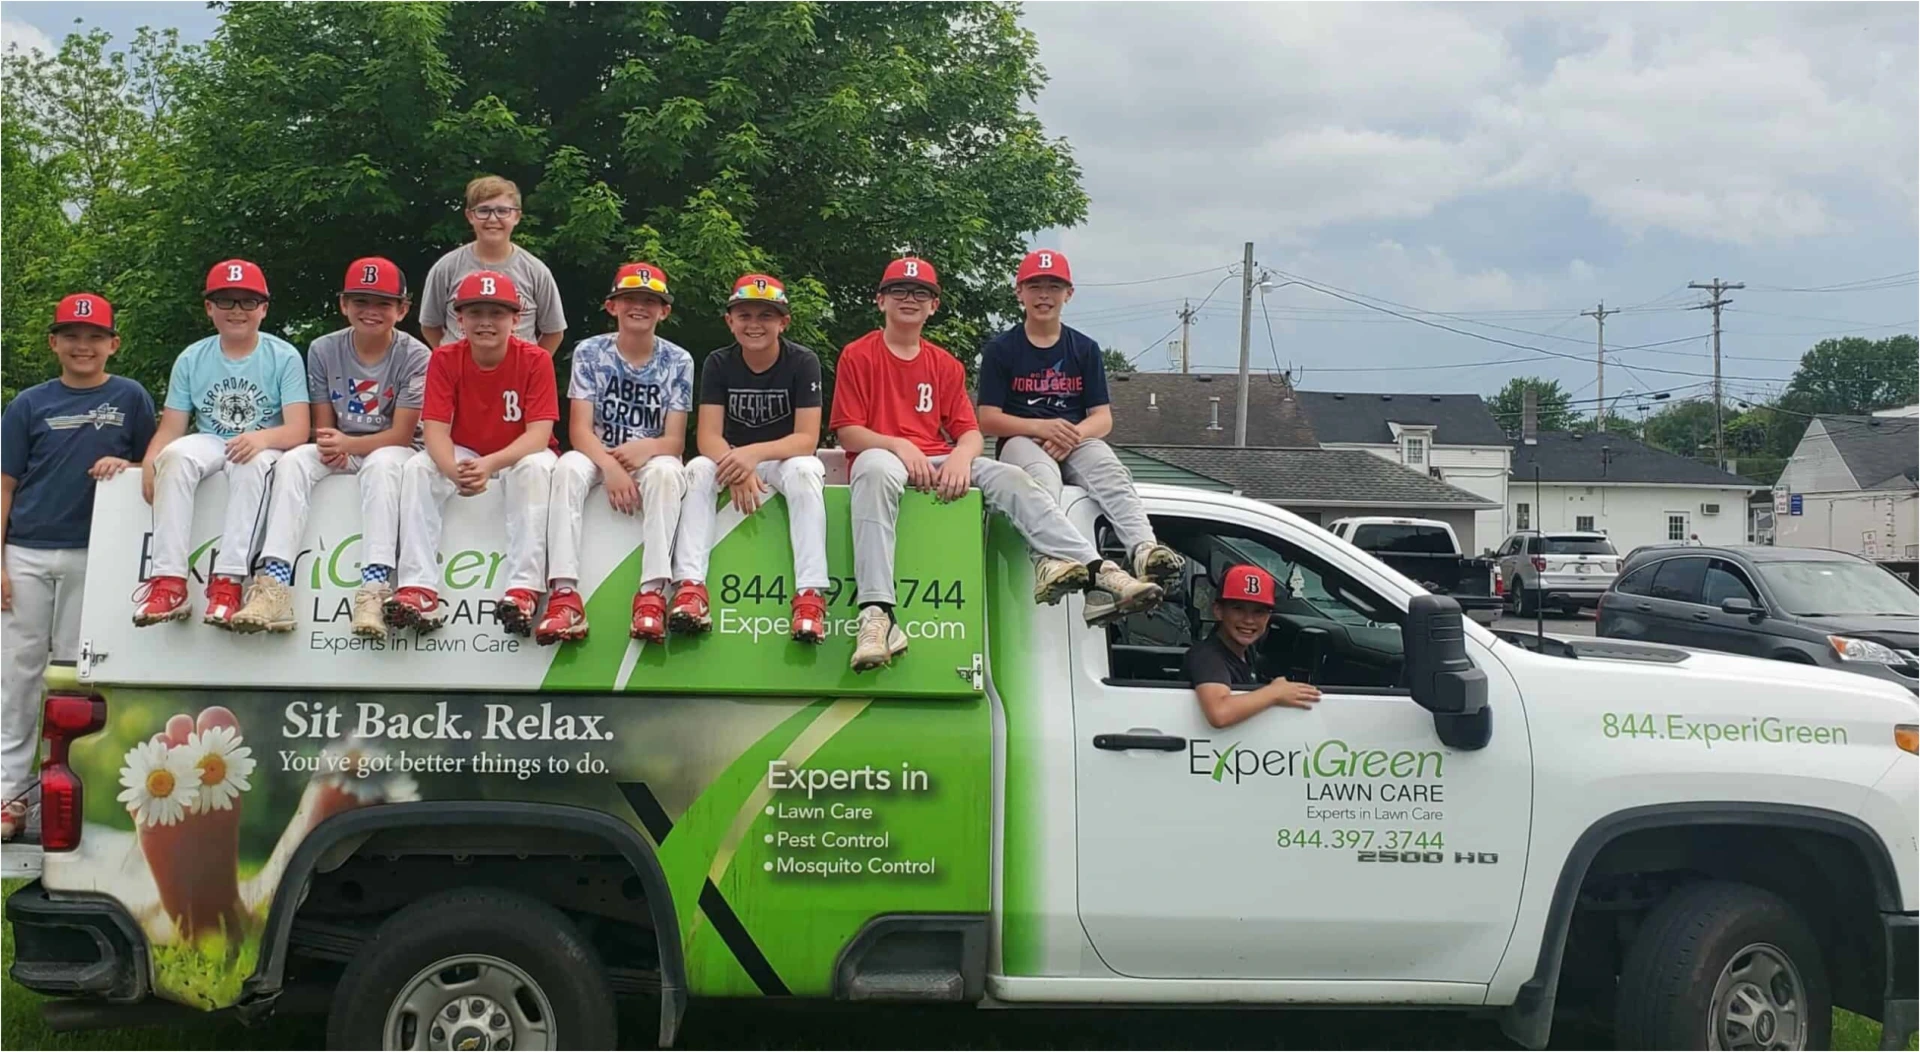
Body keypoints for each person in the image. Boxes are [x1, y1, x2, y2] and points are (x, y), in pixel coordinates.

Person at [832, 257, 1162, 672]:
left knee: (1012, 476)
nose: (909, 300)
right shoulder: (858, 355)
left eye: (921, 293)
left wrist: (961, 456)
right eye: (899, 291)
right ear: (880, 300)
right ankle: (878, 614)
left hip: (937, 457)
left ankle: (1101, 571)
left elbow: (971, 431)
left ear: (934, 306)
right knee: (876, 466)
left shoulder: (945, 364)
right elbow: (848, 432)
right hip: (884, 457)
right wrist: (899, 445)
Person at [2, 294, 156, 840]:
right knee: (17, 678)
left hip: (96, 554)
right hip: (26, 551)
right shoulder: (28, 404)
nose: (82, 345)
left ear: (113, 343)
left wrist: (131, 462)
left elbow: (155, 467)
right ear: (54, 343)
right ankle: (9, 797)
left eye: (94, 336)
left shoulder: (131, 397)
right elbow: (5, 483)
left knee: (77, 682)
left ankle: (67, 795)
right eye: (71, 335)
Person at [976, 249, 1184, 625]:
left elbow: (1102, 419)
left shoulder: (1083, 348)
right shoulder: (1001, 349)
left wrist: (1071, 435)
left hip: (1074, 437)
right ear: (1018, 292)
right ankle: (1051, 562)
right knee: (1041, 478)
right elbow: (988, 418)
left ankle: (1144, 550)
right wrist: (1040, 428)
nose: (1044, 295)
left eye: (1053, 286)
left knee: (1109, 469)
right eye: (1034, 286)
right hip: (1022, 438)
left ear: (1068, 293)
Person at [231, 258, 432, 637]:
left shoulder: (416, 354)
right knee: (293, 462)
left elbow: (402, 436)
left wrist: (347, 443)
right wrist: (330, 443)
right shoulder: (324, 349)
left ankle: (374, 588)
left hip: (393, 450)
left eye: (383, 303)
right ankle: (274, 584)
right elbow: (324, 423)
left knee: (384, 464)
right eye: (360, 301)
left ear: (402, 309)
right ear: (343, 304)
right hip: (341, 445)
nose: (371, 311)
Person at [135, 261, 310, 629]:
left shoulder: (283, 356)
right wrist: (152, 459)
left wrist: (262, 438)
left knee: (252, 463)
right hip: (213, 439)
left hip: (265, 442)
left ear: (264, 308)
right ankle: (168, 581)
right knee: (176, 456)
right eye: (226, 301)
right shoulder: (192, 357)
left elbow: (298, 429)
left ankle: (228, 582)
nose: (237, 311)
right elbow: (173, 427)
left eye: (248, 302)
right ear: (209, 308)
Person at [386, 271, 559, 636]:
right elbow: (434, 429)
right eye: (475, 312)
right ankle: (418, 588)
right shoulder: (446, 358)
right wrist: (452, 470)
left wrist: (491, 463)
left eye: (496, 313)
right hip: (467, 450)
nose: (485, 322)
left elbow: (540, 434)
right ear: (459, 319)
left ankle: (523, 589)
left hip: (520, 451)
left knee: (534, 469)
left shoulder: (535, 358)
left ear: (516, 319)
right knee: (419, 466)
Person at [538, 262, 692, 645]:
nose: (639, 307)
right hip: (597, 451)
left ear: (664, 311)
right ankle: (564, 593)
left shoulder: (679, 360)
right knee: (568, 468)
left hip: (652, 455)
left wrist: (647, 448)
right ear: (612, 306)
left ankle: (652, 594)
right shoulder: (590, 352)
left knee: (668, 473)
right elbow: (578, 431)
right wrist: (609, 465)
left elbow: (675, 442)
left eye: (650, 301)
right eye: (630, 300)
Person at [670, 274, 830, 643]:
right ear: (729, 321)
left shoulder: (802, 361)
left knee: (807, 472)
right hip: (729, 458)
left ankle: (810, 594)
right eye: (744, 315)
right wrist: (736, 465)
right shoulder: (718, 362)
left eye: (766, 315)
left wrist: (751, 455)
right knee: (696, 469)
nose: (754, 324)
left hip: (782, 458)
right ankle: (691, 587)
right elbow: (707, 435)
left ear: (783, 322)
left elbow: (807, 439)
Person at [418, 175, 567, 352]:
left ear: (517, 216)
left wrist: (532, 367)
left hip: (515, 375)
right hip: (460, 375)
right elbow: (429, 325)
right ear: (470, 216)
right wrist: (452, 360)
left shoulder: (536, 271)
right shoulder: (446, 268)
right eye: (483, 211)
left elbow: (554, 331)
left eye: (503, 211)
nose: (493, 219)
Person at [1185, 563, 1322, 728]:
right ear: (1218, 610)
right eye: (1238, 609)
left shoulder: (1247, 651)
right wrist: (1275, 692)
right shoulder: (1207, 656)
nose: (1249, 620)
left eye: (1259, 611)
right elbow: (1219, 713)